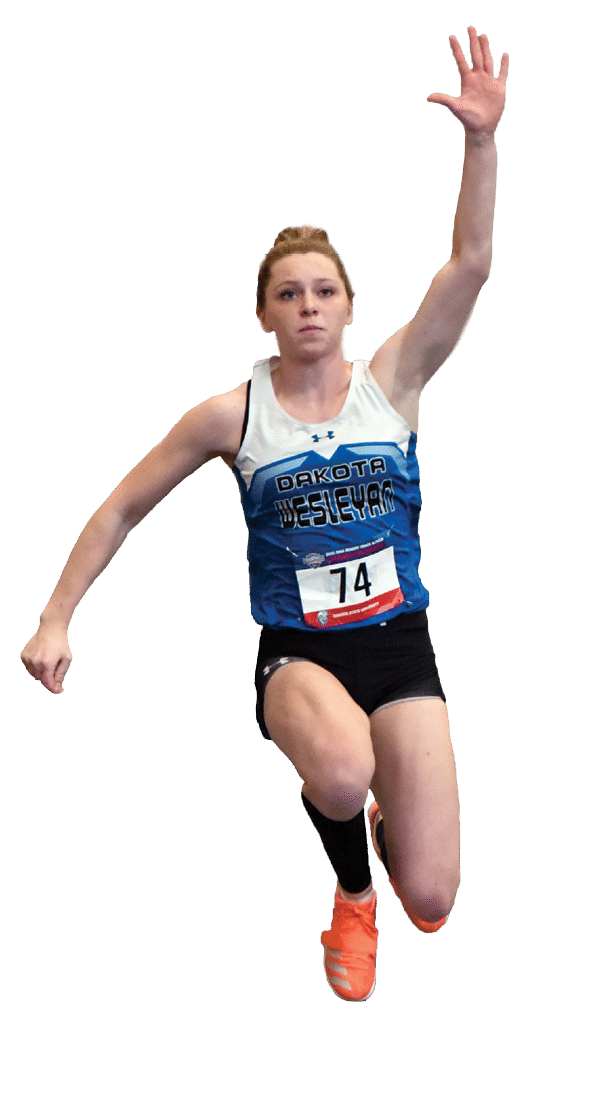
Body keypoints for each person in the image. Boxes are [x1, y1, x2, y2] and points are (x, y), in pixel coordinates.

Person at [20, 26, 509, 1002]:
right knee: (338, 768)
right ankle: (349, 894)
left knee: (438, 894)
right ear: (263, 314)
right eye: (287, 293)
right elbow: (120, 508)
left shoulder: (395, 381)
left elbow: (468, 266)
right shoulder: (229, 414)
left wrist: (480, 142)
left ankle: (394, 853)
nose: (308, 306)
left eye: (324, 289)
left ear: (351, 303)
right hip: (299, 654)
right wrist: (55, 613)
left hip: (398, 643)